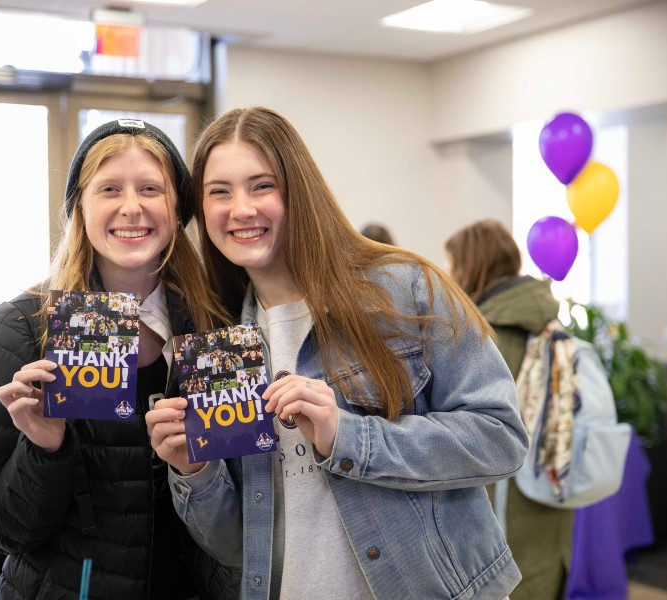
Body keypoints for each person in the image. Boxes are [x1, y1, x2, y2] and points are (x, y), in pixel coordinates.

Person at [146, 107, 529, 600]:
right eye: (220, 191)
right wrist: (193, 471)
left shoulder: (405, 287)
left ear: (298, 191)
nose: (241, 209)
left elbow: (500, 437)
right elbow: (235, 546)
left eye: (262, 185)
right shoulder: (216, 343)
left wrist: (349, 436)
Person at [0, 119, 240, 600]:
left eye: (151, 188)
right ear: (79, 209)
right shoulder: (17, 332)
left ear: (177, 209)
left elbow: (247, 493)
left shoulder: (215, 324)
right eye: (110, 188)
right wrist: (44, 448)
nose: (132, 207)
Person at [445, 218, 572, 600]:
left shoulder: (487, 332)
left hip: (501, 499)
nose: (449, 275)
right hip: (549, 482)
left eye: (452, 265)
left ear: (471, 266)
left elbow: (476, 427)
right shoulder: (546, 319)